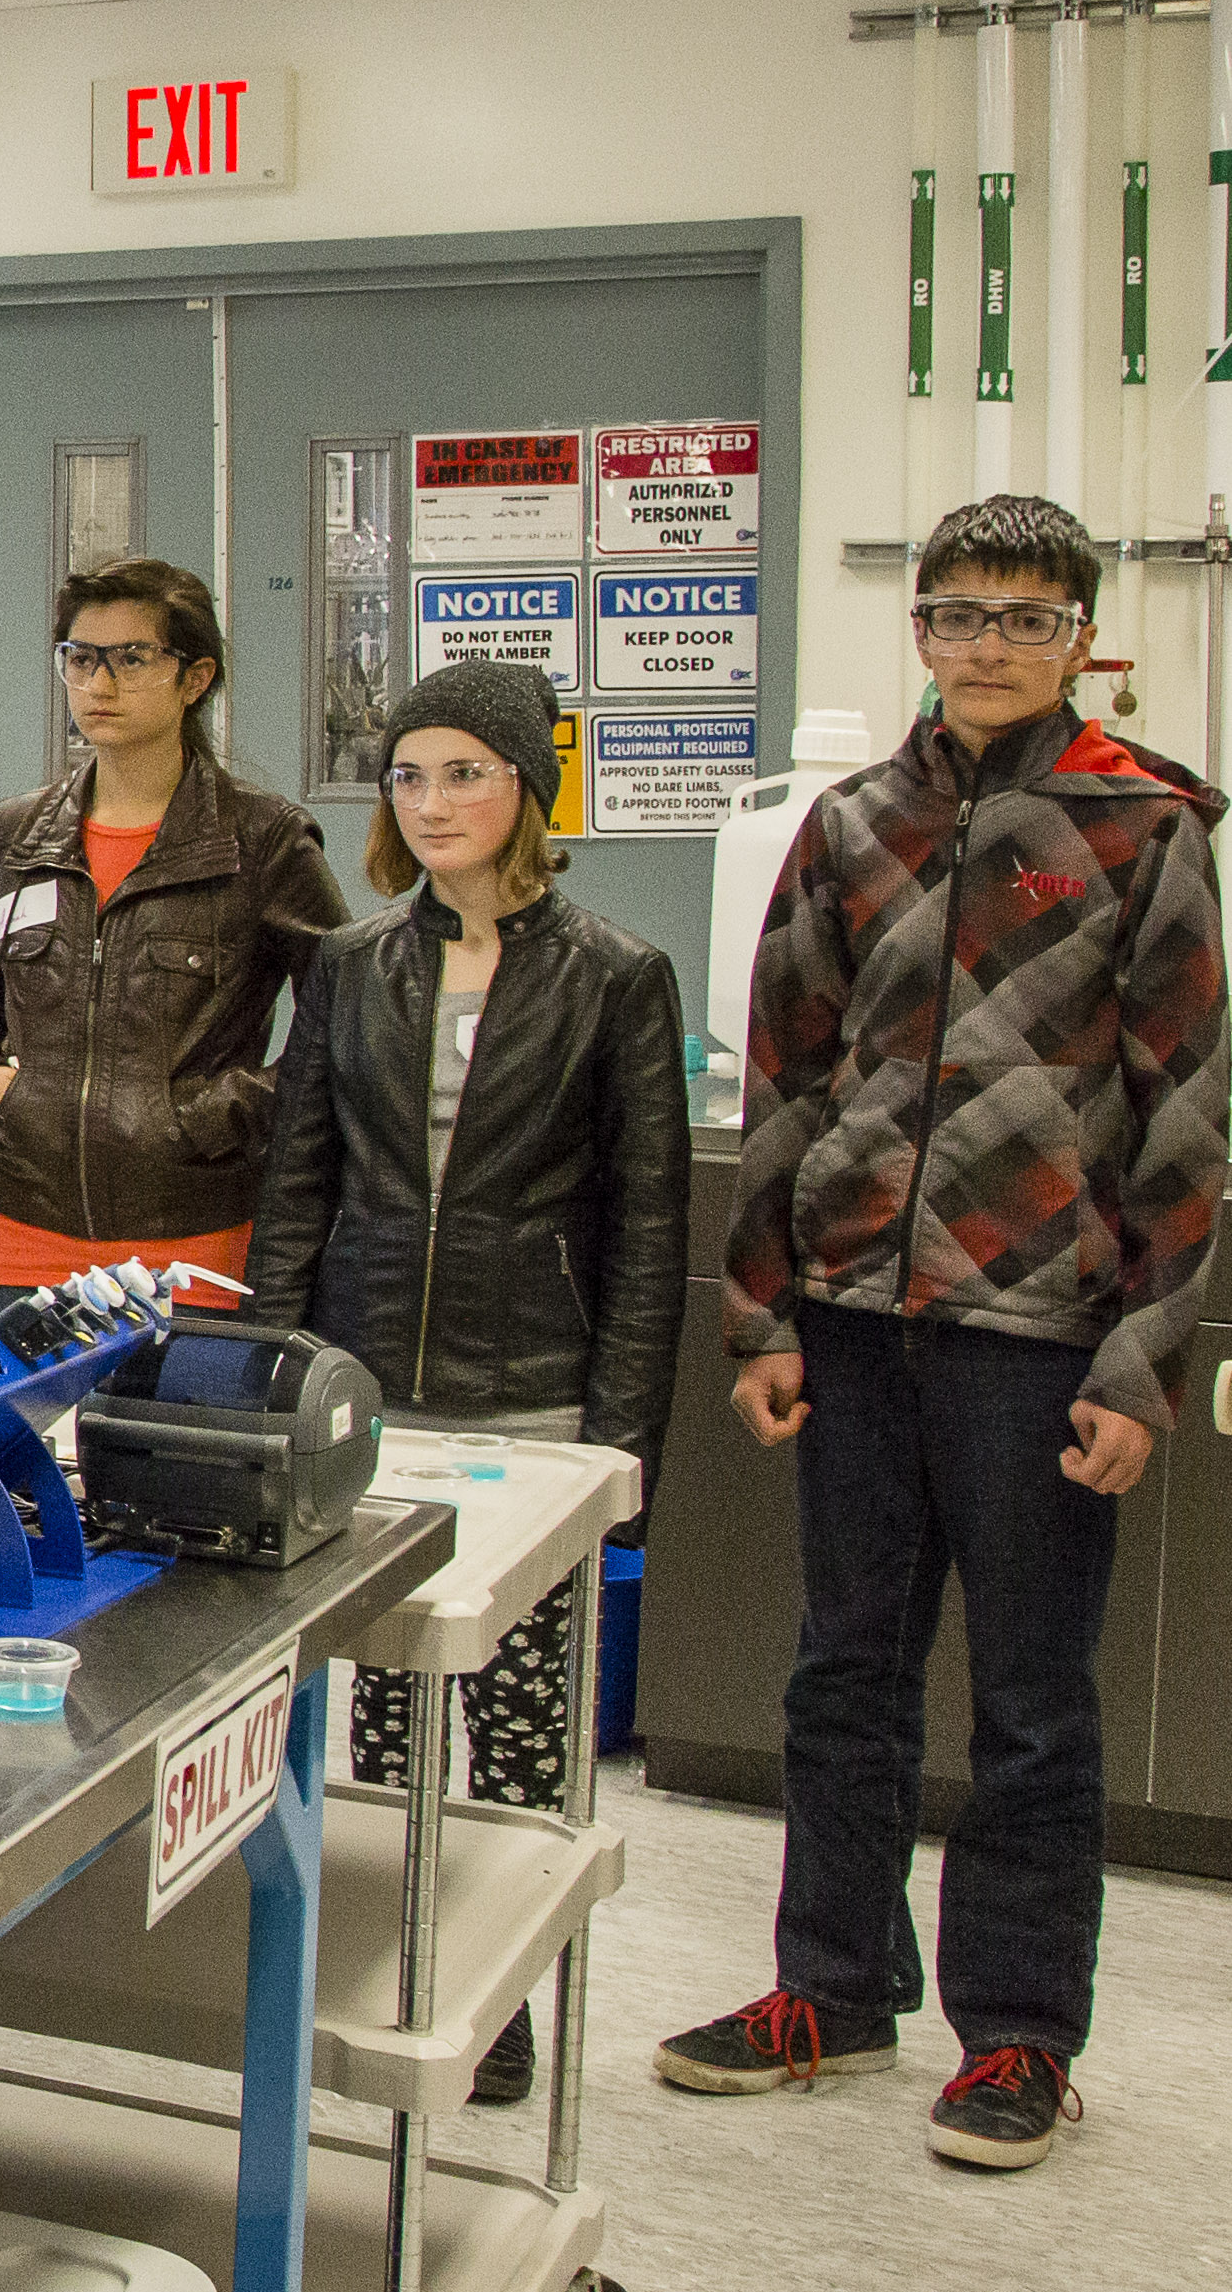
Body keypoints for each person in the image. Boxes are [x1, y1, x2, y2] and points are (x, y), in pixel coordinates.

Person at [664, 496, 1222, 2173]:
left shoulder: (1138, 825)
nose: (983, 644)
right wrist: (757, 1310)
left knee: (1031, 1702)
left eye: (1020, 617)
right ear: (912, 629)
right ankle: (825, 1989)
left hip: (1035, 1327)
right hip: (843, 1318)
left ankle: (1016, 2038)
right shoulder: (845, 823)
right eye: (954, 614)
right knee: (840, 1671)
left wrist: (1140, 1360)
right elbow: (784, 1080)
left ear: (1077, 634)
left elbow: (1186, 1112)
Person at [248, 661, 688, 2106]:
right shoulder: (347, 965)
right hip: (374, 1399)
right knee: (380, 1718)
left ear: (526, 788)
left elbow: (647, 1227)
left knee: (516, 1730)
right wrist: (270, 1376)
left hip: (536, 1399)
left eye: (465, 772)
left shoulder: (616, 974)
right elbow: (297, 1187)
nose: (433, 802)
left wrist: (625, 1449)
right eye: (410, 775)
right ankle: (392, 1971)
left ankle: (498, 2008)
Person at [0, 556, 344, 1309]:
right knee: (36, 1431)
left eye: (131, 659)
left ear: (194, 678)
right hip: (26, 1224)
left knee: (168, 1431)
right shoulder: (15, 835)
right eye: (80, 659)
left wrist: (218, 1115)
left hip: (191, 1232)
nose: (98, 685)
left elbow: (342, 1021)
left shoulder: (261, 839)